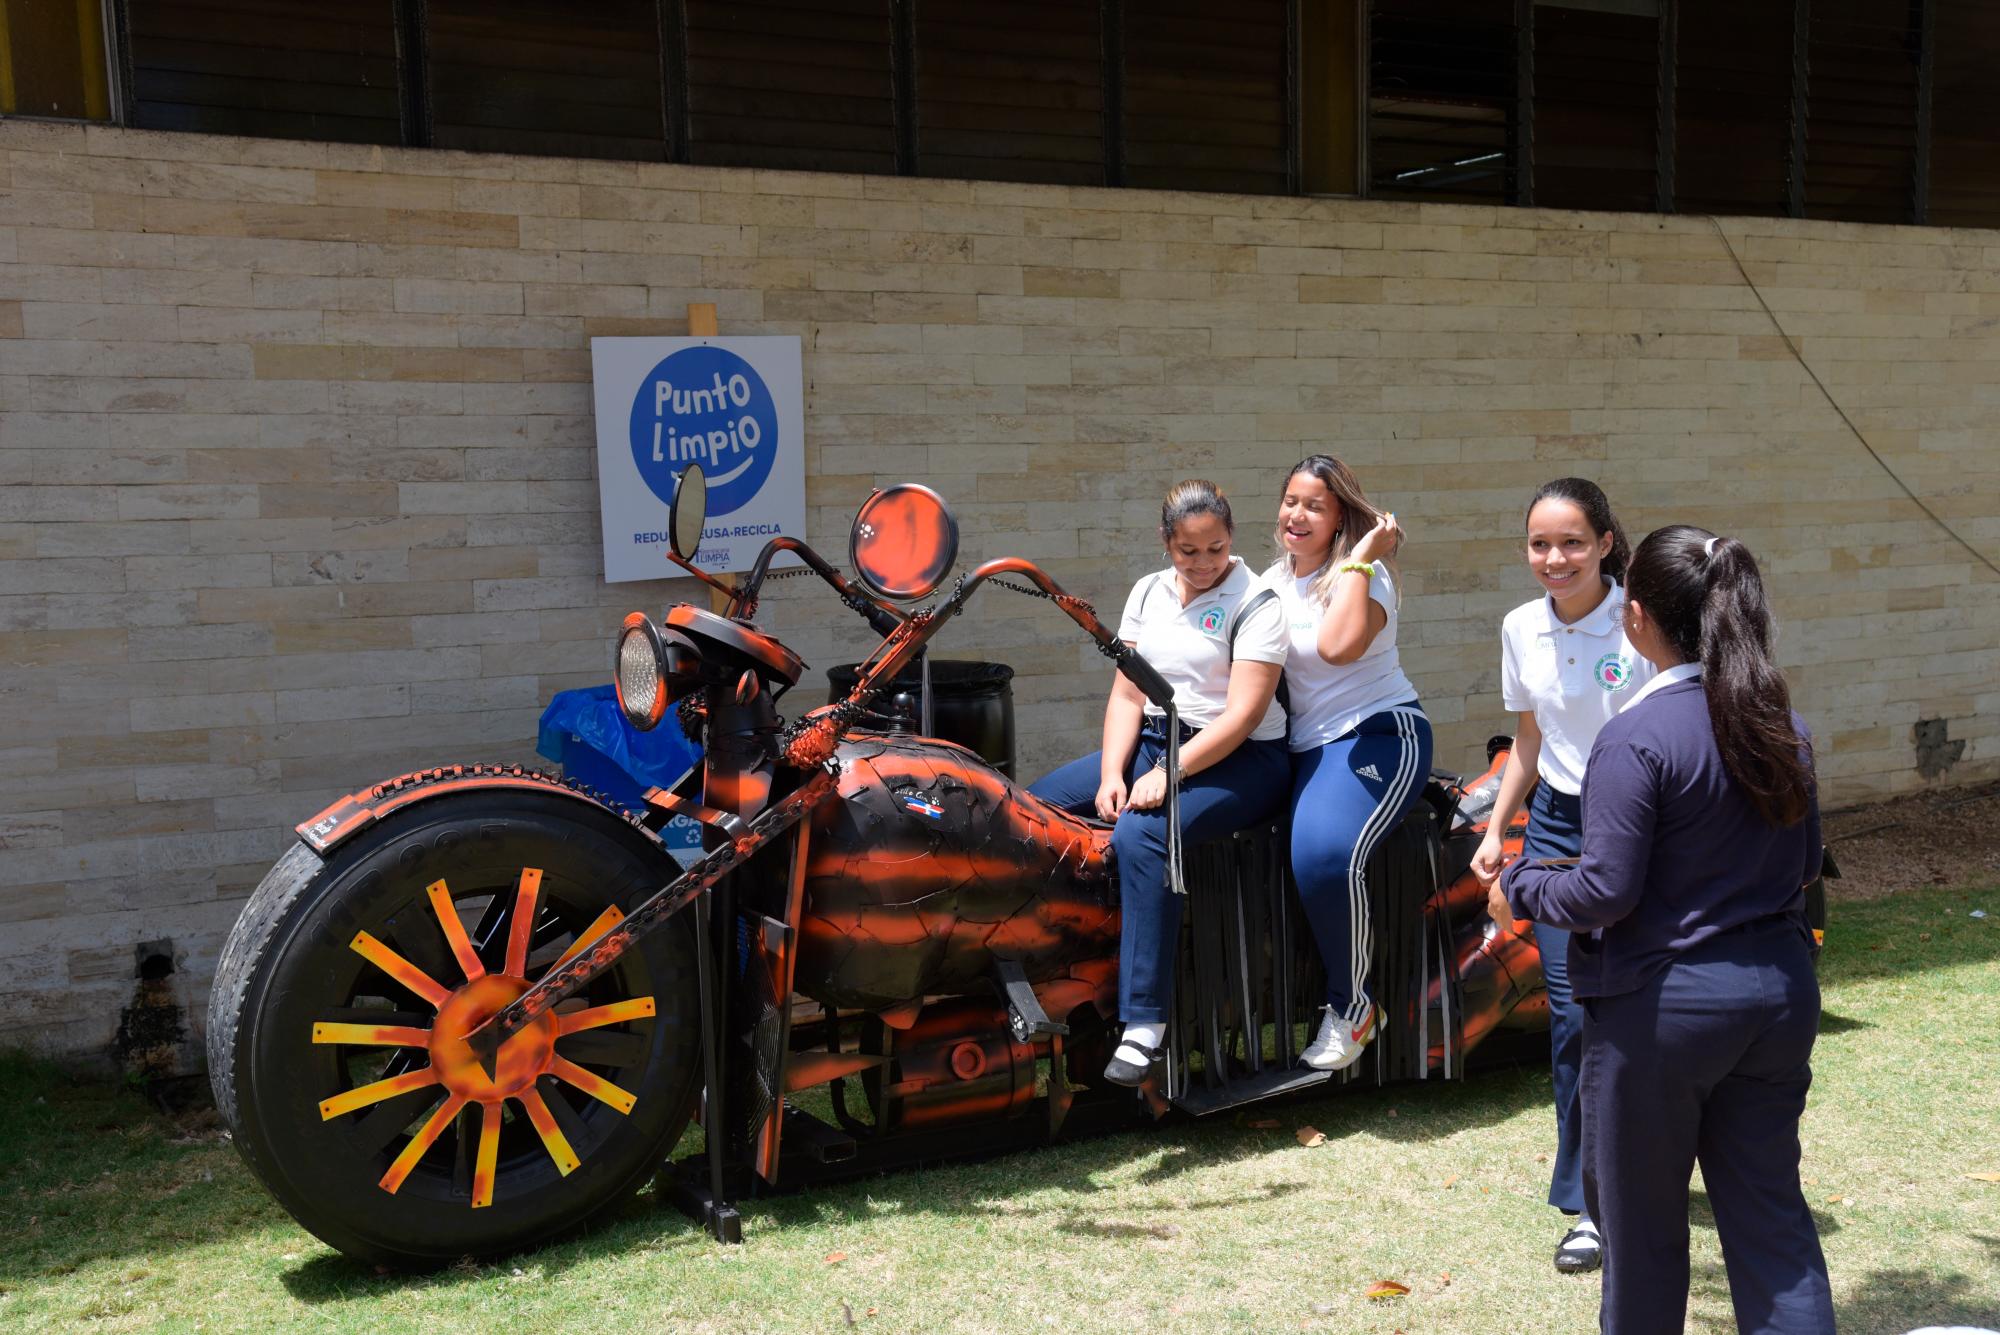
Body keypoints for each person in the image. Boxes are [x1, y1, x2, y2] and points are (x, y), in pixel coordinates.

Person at [1504, 526, 1834, 1335]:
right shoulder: (1782, 723)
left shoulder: (1635, 736)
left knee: (1644, 1237)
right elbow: (1804, 867)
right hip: (1778, 996)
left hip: (1662, 1013)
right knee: (1773, 1224)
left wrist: (1521, 880)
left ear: (1636, 615)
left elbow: (1604, 891)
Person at [1029, 479, 1290, 1085]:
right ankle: (1060, 964)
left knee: (1144, 834)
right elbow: (1128, 694)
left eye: (1216, 549)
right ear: (1166, 543)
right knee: (1034, 808)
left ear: (1232, 537)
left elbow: (1243, 715)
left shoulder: (1258, 602)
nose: (1203, 563)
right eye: (1188, 551)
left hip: (1242, 756)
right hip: (1156, 738)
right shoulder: (1148, 591)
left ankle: (1145, 1021)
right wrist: (1111, 774)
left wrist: (1170, 773)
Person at [1470, 477, 1655, 1275]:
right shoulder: (1521, 626)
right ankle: (1589, 1205)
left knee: (1646, 1005)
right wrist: (1498, 829)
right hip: (1553, 828)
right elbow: (1530, 735)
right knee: (1575, 1014)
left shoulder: (1642, 621)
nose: (1556, 558)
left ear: (1606, 543)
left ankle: (1656, 1160)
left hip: (1640, 822)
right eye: (1540, 543)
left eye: (1573, 542)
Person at [1266, 455, 1433, 1072]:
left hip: (1378, 734)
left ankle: (1354, 1008)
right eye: (1290, 501)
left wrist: (1362, 555)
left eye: (1315, 505)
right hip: (1303, 745)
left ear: (1340, 518)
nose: (1297, 515)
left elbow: (1337, 648)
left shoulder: (1365, 576)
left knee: (1324, 855)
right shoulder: (1271, 582)